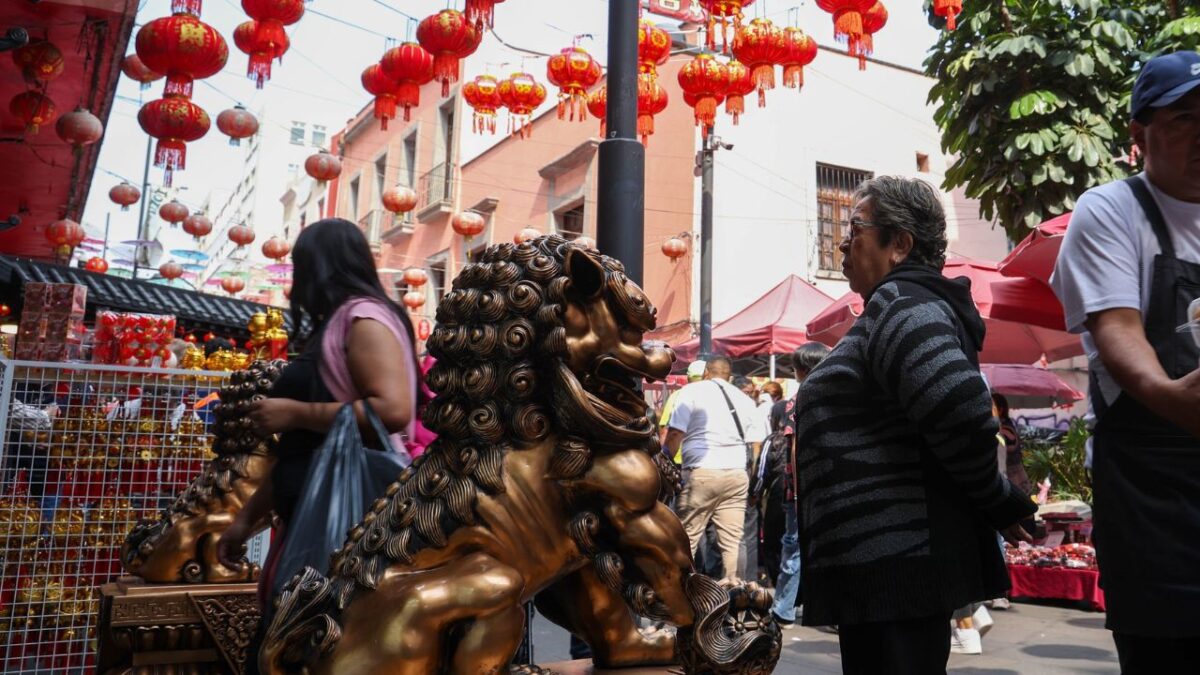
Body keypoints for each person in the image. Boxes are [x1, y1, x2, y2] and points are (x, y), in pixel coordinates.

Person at [794, 176, 1035, 675]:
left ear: (899, 243)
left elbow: (959, 407)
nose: (842, 240)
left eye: (854, 227)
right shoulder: (896, 304)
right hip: (883, 573)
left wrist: (997, 499)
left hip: (897, 569)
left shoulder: (905, 301)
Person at [1050, 50, 1200, 672]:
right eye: (1186, 118)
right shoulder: (1112, 210)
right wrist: (1174, 400)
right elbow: (1120, 336)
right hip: (1154, 496)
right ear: (1139, 136)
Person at [216, 219, 419, 623]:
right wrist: (245, 520)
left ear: (318, 267)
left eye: (299, 266)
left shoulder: (363, 318)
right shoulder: (337, 324)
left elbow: (394, 408)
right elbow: (305, 452)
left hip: (347, 532)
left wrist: (294, 412)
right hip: (312, 523)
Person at [665, 355, 765, 583]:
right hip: (736, 474)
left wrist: (664, 457)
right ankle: (735, 590)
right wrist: (749, 476)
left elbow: (675, 434)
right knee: (732, 540)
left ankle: (683, 590)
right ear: (728, 375)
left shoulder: (691, 392)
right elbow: (756, 444)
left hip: (702, 472)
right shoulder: (744, 399)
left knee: (687, 535)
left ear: (706, 373)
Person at [769, 342, 830, 627]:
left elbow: (794, 448)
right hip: (830, 486)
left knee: (793, 548)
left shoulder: (798, 399)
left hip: (802, 490)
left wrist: (798, 487)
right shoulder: (836, 394)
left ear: (801, 370)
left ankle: (783, 609)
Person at [658, 359, 705, 462]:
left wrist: (662, 461)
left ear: (688, 378)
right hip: (709, 463)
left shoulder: (677, 396)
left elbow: (664, 431)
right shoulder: (716, 397)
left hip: (680, 459)